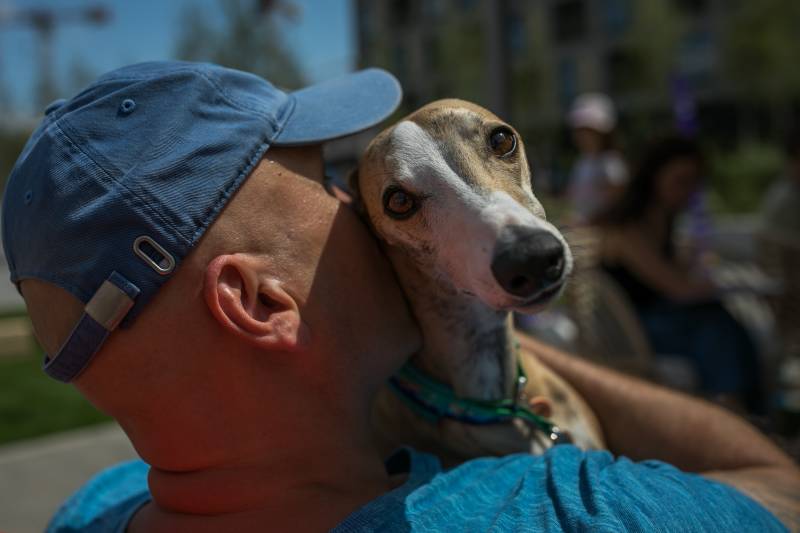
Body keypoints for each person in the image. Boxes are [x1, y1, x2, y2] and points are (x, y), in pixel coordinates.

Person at [2, 62, 797, 532]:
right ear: (260, 302)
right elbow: (775, 481)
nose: (357, 211)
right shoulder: (566, 509)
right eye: (326, 187)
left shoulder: (97, 505)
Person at [598, 137, 763, 411]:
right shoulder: (628, 228)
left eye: (694, 182)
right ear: (654, 177)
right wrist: (718, 285)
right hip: (633, 330)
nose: (688, 191)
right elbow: (679, 288)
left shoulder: (662, 220)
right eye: (681, 180)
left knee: (723, 322)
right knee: (717, 328)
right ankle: (734, 408)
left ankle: (741, 407)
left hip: (660, 318)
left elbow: (681, 279)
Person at [566, 93, 629, 225]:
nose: (584, 136)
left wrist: (589, 221)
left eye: (590, 131)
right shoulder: (582, 161)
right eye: (580, 130)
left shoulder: (611, 163)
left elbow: (619, 202)